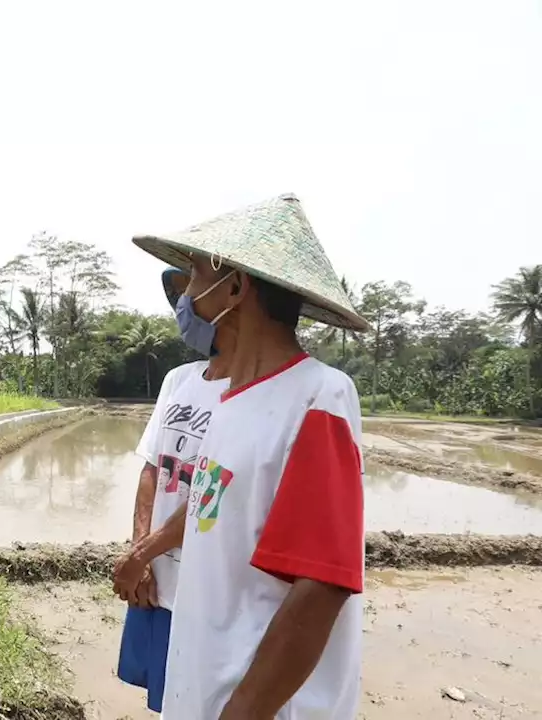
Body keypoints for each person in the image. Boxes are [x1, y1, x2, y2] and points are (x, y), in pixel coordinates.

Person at [115, 193, 369, 719]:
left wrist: (244, 712)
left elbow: (321, 583)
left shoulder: (319, 397)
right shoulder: (231, 401)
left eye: (193, 273)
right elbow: (211, 509)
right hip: (206, 685)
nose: (186, 291)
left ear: (234, 286)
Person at [111, 268, 229, 714]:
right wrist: (142, 550)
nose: (185, 306)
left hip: (206, 584)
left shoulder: (251, 392)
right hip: (160, 574)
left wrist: (142, 554)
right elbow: (152, 468)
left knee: (205, 700)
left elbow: (213, 491)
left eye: (191, 294)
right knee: (169, 698)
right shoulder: (179, 380)